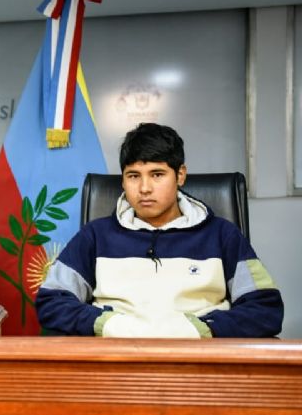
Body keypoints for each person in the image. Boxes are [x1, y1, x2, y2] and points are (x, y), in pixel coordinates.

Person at [36, 123, 283, 338]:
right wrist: (108, 324)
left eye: (157, 174)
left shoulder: (223, 235)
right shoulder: (95, 236)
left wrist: (201, 329)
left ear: (180, 175)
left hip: (200, 366)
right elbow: (52, 301)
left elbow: (265, 308)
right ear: (122, 180)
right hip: (114, 362)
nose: (144, 188)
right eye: (133, 176)